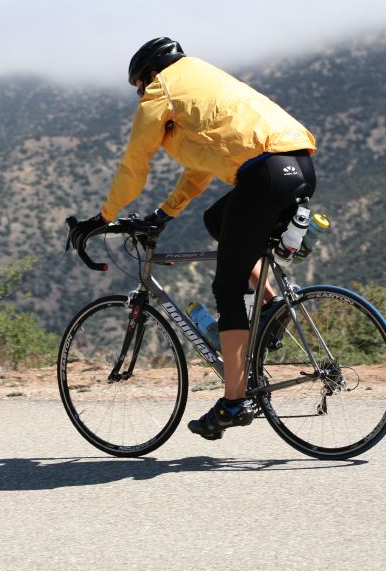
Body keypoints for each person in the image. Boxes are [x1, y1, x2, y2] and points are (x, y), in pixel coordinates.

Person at [69, 37, 316, 440]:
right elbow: (201, 167)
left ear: (148, 73)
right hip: (299, 165)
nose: (139, 95)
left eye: (137, 87)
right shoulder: (199, 82)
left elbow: (135, 162)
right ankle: (271, 305)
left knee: (227, 286)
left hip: (264, 175)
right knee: (218, 220)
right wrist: (163, 214)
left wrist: (104, 217)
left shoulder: (160, 88)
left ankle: (234, 402)